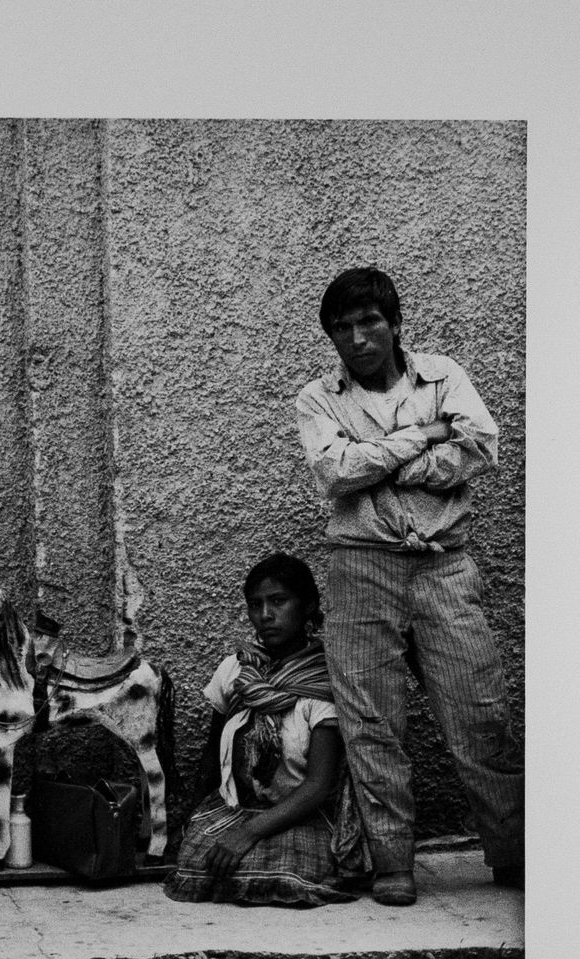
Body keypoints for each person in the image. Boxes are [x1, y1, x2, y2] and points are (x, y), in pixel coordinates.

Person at [295, 267, 524, 906]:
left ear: (395, 324)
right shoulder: (317, 398)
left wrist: (387, 460)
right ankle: (391, 862)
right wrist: (422, 436)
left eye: (369, 322)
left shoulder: (442, 377)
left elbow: (480, 447)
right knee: (371, 721)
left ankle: (514, 853)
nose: (357, 338)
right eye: (342, 328)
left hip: (444, 565)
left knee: (480, 713)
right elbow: (335, 472)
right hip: (360, 568)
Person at [164, 554, 366, 906]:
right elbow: (212, 756)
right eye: (255, 604)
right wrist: (189, 820)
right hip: (238, 808)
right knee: (196, 866)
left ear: (308, 606)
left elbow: (319, 785)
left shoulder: (325, 681)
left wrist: (249, 833)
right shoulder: (237, 671)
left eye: (278, 601)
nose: (266, 615)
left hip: (300, 813)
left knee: (284, 875)